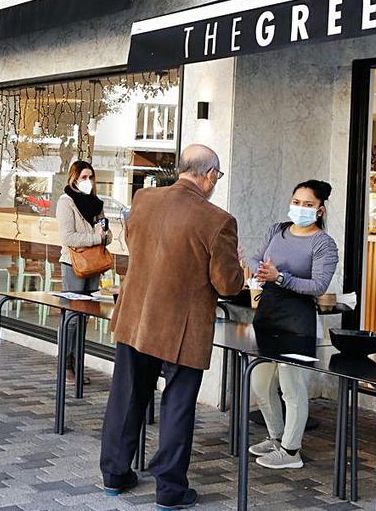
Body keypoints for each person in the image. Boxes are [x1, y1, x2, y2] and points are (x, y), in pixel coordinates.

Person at [100, 144, 244, 509]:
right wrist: (238, 270)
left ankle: (115, 474)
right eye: (217, 176)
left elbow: (136, 245)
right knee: (177, 406)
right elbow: (228, 285)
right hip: (183, 327)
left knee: (127, 397)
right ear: (209, 174)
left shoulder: (144, 199)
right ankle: (170, 489)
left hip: (136, 315)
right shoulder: (218, 220)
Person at [246, 180, 340, 470]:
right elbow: (257, 256)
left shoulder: (323, 243)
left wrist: (280, 277)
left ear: (320, 210)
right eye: (296, 201)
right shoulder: (277, 230)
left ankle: (291, 450)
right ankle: (276, 437)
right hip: (268, 314)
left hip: (297, 320)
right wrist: (258, 268)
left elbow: (318, 285)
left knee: (292, 387)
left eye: (308, 204)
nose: (300, 208)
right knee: (260, 382)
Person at [56, 160, 112, 385]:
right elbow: (68, 237)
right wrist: (97, 237)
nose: (88, 182)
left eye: (91, 177)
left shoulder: (96, 204)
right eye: (84, 177)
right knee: (71, 316)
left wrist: (104, 235)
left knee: (85, 317)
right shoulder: (66, 202)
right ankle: (64, 365)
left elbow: (107, 234)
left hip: (94, 265)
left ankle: (78, 364)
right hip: (74, 264)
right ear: (74, 179)